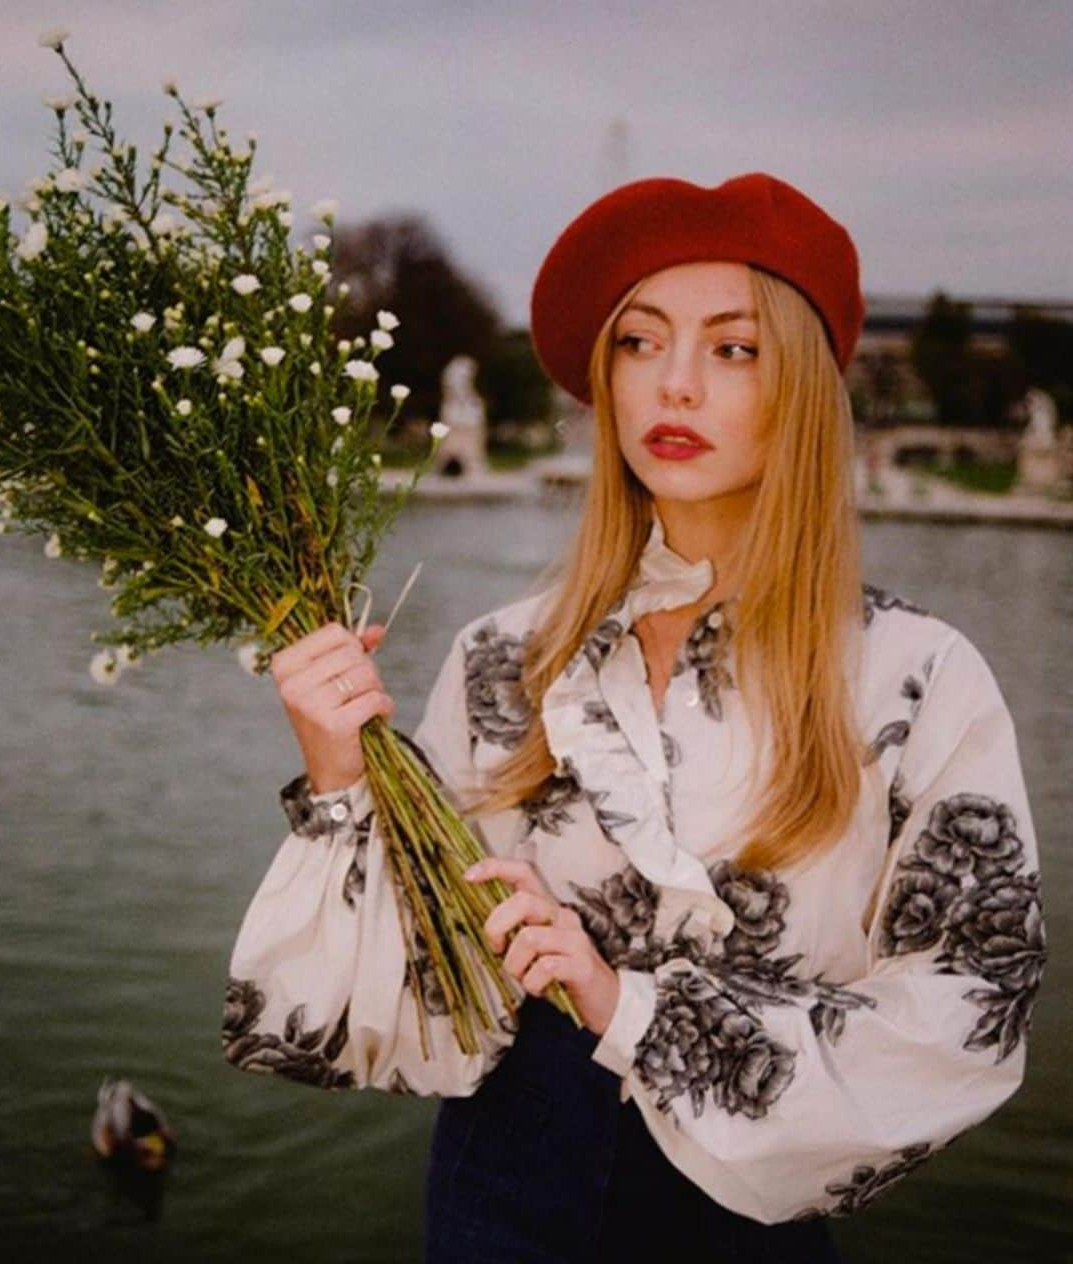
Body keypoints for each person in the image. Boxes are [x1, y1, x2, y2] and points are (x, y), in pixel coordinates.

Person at [222, 173, 1047, 1262]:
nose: (676, 386)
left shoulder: (917, 678)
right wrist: (338, 781)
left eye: (734, 349)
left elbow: (969, 1011)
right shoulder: (500, 660)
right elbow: (405, 1007)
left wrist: (629, 1008)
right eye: (640, 343)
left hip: (737, 1225)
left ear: (800, 386)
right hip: (496, 1197)